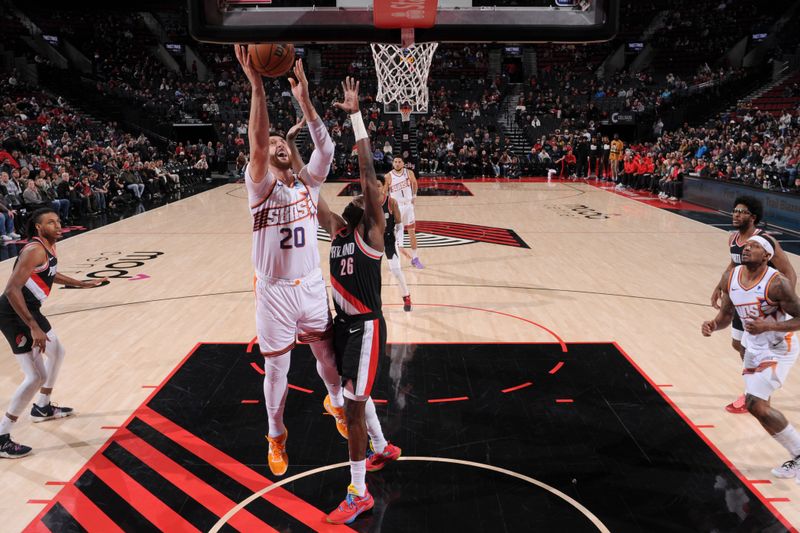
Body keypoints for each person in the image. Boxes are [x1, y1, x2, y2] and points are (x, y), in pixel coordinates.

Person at [234, 45, 346, 477]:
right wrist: (257, 87)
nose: (278, 145)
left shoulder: (307, 187)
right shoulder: (259, 188)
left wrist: (305, 102)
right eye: (274, 142)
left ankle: (335, 404)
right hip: (274, 293)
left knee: (329, 361)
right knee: (277, 369)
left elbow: (327, 149)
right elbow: (258, 143)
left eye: (284, 142)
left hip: (311, 286)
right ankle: (276, 435)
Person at [317, 77, 401, 525]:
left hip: (366, 326)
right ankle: (383, 446)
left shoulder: (371, 229)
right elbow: (312, 192)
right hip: (343, 327)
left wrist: (354, 117)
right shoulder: (337, 230)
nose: (370, 191)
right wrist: (303, 128)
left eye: (377, 193)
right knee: (353, 398)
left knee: (350, 408)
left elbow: (369, 176)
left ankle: (358, 492)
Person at [0, 208, 107, 458]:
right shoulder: (34, 249)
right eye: (51, 222)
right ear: (38, 227)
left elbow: (49, 273)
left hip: (29, 309)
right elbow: (12, 290)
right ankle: (2, 435)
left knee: (57, 351)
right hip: (14, 312)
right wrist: (33, 326)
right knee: (35, 376)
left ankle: (42, 407)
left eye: (58, 221)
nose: (58, 225)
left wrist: (80, 283)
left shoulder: (48, 246)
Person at [702, 235, 800, 480]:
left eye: (755, 246)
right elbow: (725, 315)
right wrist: (713, 325)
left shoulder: (778, 283)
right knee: (756, 407)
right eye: (747, 246)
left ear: (767, 256)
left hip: (780, 346)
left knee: (756, 404)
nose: (747, 248)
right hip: (754, 345)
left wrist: (769, 327)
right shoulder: (731, 277)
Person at [710, 197, 796, 413]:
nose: (736, 214)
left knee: (756, 346)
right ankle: (756, 388)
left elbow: (789, 271)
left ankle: (757, 393)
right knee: (738, 344)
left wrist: (784, 304)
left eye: (742, 211)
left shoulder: (764, 240)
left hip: (764, 300)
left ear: (753, 217)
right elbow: (734, 262)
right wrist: (720, 285)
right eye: (735, 210)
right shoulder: (733, 239)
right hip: (742, 295)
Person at [377, 174, 411, 311]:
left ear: (384, 186)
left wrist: (400, 243)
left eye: (378, 185)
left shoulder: (391, 202)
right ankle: (373, 302)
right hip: (374, 241)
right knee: (373, 273)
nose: (375, 188)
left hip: (389, 239)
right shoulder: (367, 202)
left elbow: (399, 224)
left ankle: (406, 296)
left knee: (396, 270)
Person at [385, 156, 422, 268]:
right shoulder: (388, 176)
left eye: (399, 162)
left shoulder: (409, 173)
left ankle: (415, 258)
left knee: (412, 232)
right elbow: (385, 191)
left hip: (408, 206)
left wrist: (414, 195)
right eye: (395, 162)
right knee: (395, 236)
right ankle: (396, 262)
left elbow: (415, 183)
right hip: (397, 208)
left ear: (403, 163)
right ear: (393, 163)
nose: (397, 163)